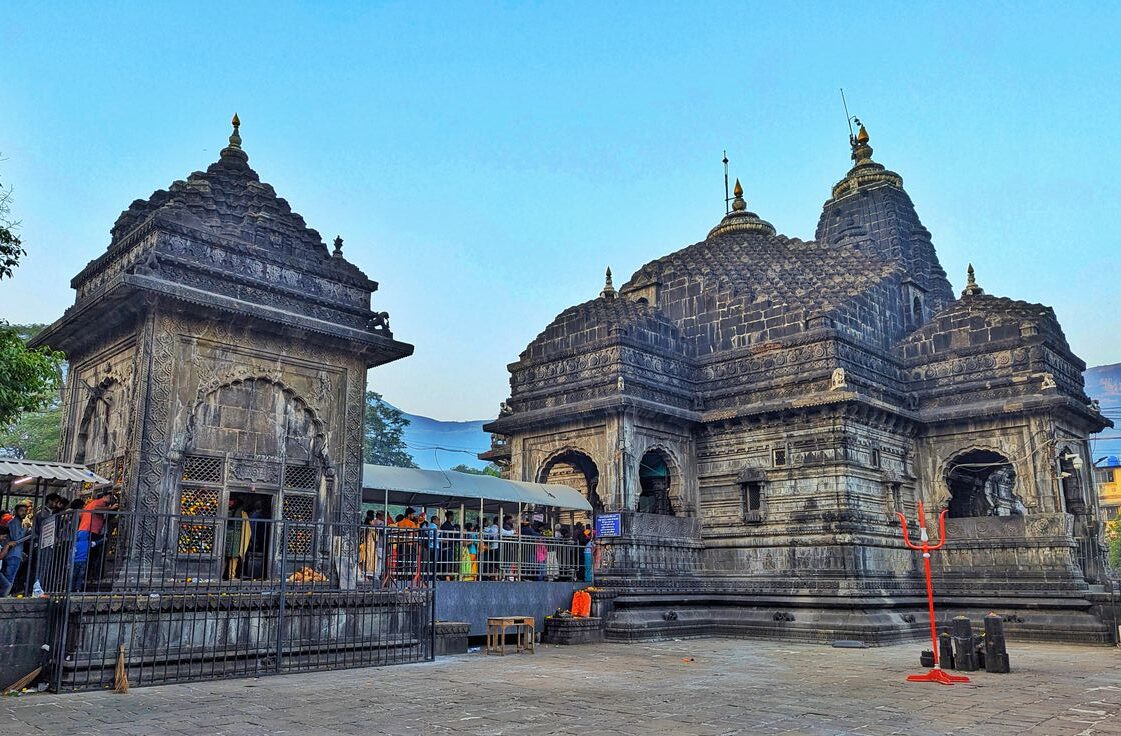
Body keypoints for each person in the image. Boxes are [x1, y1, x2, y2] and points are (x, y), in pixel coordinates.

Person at [0, 503, 31, 596]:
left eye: (25, 511)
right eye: (21, 511)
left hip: (14, 554)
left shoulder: (18, 522)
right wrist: (26, 529)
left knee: (7, 579)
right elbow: (16, 538)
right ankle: (4, 597)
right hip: (13, 555)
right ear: (16, 511)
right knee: (9, 580)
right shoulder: (14, 522)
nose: (24, 513)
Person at [224, 497, 250, 581]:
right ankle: (230, 575)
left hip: (234, 536)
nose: (229, 502)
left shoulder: (239, 513)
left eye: (231, 500)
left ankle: (230, 575)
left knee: (232, 556)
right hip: (232, 535)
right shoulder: (227, 511)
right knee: (231, 556)